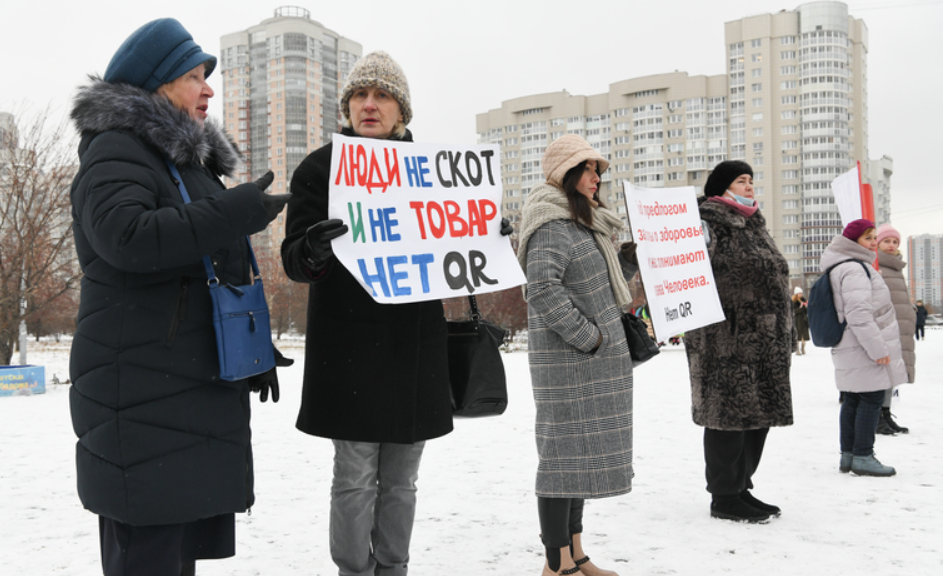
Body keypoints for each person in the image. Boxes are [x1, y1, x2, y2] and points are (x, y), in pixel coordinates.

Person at [69, 18, 290, 576]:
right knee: (148, 558)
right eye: (195, 76)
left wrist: (247, 351)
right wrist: (233, 211)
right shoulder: (116, 148)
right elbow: (128, 238)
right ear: (158, 84)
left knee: (172, 559)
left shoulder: (183, 164)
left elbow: (209, 266)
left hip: (183, 392)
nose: (209, 88)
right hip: (142, 396)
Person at [281, 51, 511, 576]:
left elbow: (462, 241)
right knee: (355, 475)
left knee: (403, 479)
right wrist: (313, 248)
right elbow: (294, 261)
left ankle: (394, 568)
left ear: (401, 110)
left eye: (382, 95)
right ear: (346, 107)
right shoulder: (321, 167)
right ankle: (353, 570)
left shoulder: (433, 171)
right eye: (360, 95)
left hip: (414, 349)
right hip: (348, 349)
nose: (369, 104)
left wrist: (491, 236)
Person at [518, 134, 636, 576]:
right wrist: (590, 337)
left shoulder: (585, 222)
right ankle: (556, 564)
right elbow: (542, 290)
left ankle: (576, 553)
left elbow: (598, 283)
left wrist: (629, 258)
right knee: (560, 462)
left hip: (592, 361)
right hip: (568, 362)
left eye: (598, 171)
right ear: (564, 173)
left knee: (579, 462)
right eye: (587, 169)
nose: (596, 178)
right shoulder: (550, 222)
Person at [684, 160, 794, 523]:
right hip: (724, 341)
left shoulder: (754, 224)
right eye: (741, 180)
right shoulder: (706, 223)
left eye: (751, 180)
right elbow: (680, 266)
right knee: (728, 418)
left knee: (758, 417)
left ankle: (742, 486)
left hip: (764, 343)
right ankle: (723, 496)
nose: (749, 186)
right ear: (721, 188)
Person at [820, 219, 907, 476]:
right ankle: (863, 456)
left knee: (853, 398)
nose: (873, 243)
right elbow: (859, 314)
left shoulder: (841, 266)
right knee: (870, 398)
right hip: (862, 346)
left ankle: (849, 456)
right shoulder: (855, 269)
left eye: (874, 237)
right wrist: (878, 349)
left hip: (850, 346)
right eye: (868, 238)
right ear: (853, 241)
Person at [875, 224, 914, 434]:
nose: (891, 245)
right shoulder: (877, 266)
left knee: (892, 375)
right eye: (887, 241)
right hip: (885, 329)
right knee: (881, 374)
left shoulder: (896, 267)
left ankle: (886, 413)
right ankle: (877, 417)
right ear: (878, 243)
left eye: (895, 242)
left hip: (898, 329)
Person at [793, 286, 810, 355]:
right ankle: (797, 350)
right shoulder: (793, 302)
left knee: (804, 338)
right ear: (796, 294)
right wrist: (800, 308)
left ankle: (803, 348)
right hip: (797, 321)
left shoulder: (804, 300)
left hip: (804, 321)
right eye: (799, 293)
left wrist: (806, 307)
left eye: (801, 293)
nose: (801, 295)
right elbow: (793, 311)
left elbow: (806, 311)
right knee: (798, 337)